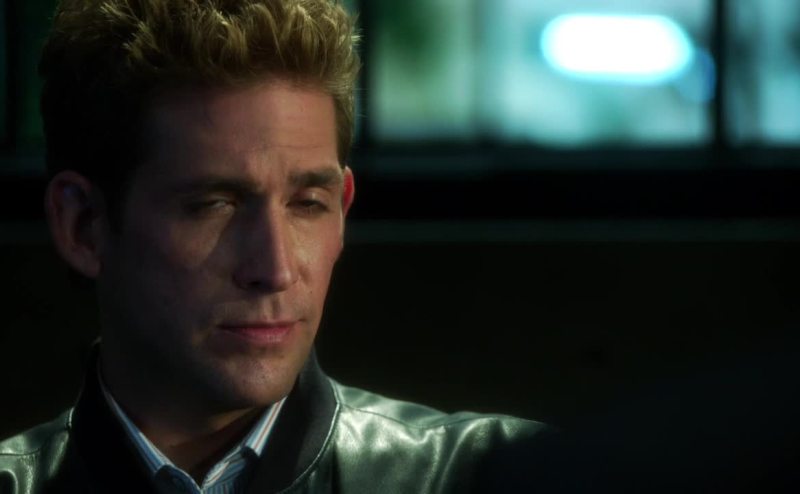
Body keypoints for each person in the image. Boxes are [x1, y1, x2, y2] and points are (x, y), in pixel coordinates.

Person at [0, 1, 549, 492]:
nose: (276, 268)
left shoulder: (494, 476)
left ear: (343, 208)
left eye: (308, 203)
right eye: (214, 204)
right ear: (83, 225)